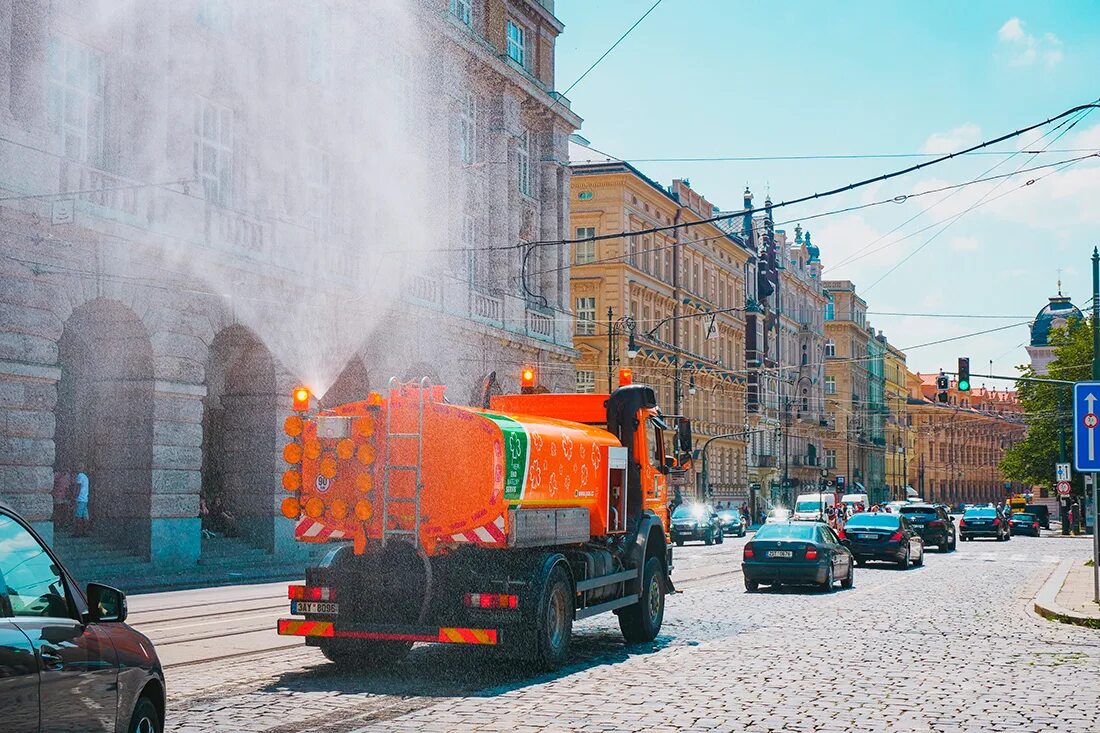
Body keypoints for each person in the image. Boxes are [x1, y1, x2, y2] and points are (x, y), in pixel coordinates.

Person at [72, 466, 90, 537]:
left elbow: (78, 487)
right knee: (85, 516)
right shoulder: (86, 477)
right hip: (85, 499)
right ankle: (85, 532)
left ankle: (77, 532)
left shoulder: (80, 476)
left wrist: (74, 497)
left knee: (78, 516)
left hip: (80, 499)